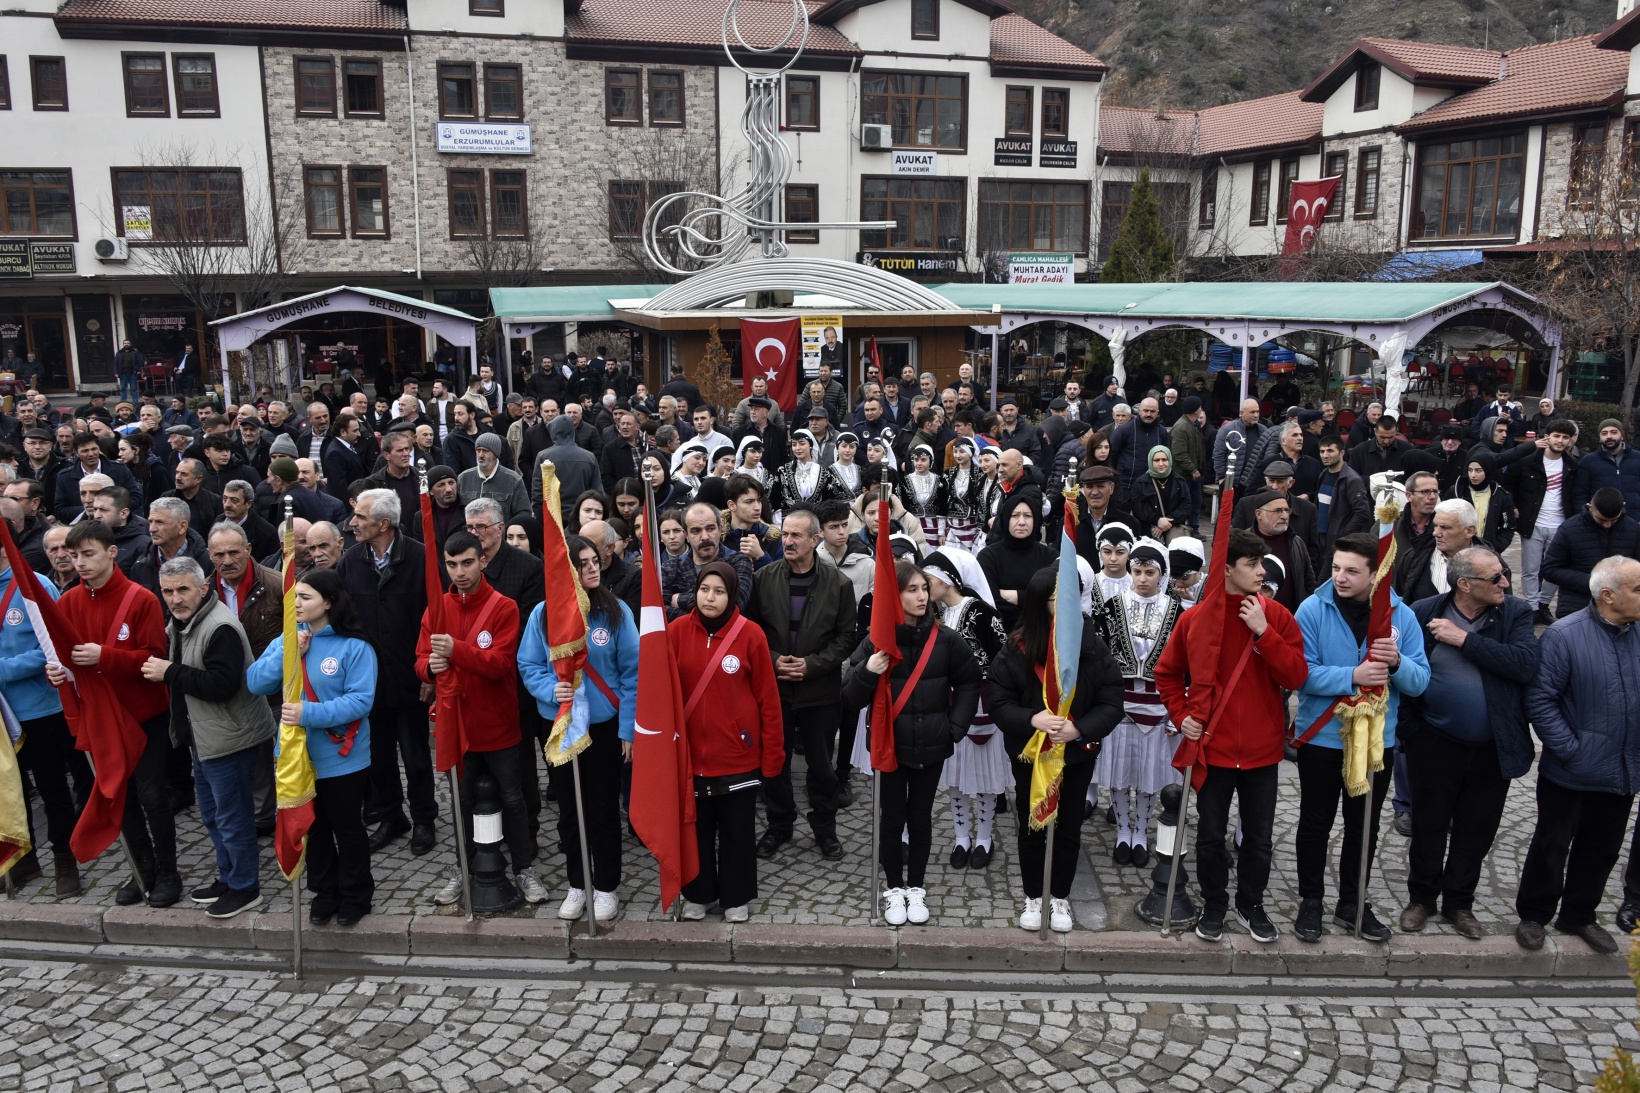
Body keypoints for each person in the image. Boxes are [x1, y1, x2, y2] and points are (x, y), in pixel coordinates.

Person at [1154, 529, 1310, 944]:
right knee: (1209, 835)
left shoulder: (1275, 615)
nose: (1262, 572)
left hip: (1262, 752)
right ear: (1227, 569)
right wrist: (1181, 713)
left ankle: (1251, 904)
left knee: (1258, 839)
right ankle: (1215, 903)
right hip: (1214, 749)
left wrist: (1264, 633)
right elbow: (1167, 673)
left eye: (1262, 564)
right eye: (1252, 565)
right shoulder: (1195, 619)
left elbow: (1296, 675)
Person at [1291, 532, 1430, 943]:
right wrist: (1353, 676)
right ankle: (1310, 901)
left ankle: (1353, 901)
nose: (1341, 577)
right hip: (1322, 740)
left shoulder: (1400, 615)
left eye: (1352, 570)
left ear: (1376, 574)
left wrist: (1397, 663)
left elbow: (1420, 681)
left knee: (1363, 828)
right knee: (1315, 824)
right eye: (1336, 568)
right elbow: (1301, 673)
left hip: (1374, 743)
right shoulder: (1313, 609)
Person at [1398, 546, 1538, 939]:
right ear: (1464, 584)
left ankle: (1459, 904)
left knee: (1476, 831)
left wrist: (1465, 641)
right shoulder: (1425, 611)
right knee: (1428, 826)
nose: (1506, 583)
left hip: (1492, 747)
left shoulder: (1515, 613)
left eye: (1504, 573)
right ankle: (1421, 899)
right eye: (1495, 578)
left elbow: (1525, 664)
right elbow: (1404, 675)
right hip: (1435, 743)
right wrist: (1412, 732)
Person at [841, 559, 982, 926]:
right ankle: (893, 889)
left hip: (932, 745)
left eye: (924, 588)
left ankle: (916, 887)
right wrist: (867, 672)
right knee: (891, 819)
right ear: (895, 595)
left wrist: (955, 727)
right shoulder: (876, 641)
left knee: (919, 818)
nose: (922, 596)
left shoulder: (947, 640)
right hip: (890, 744)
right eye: (912, 590)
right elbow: (848, 698)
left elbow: (970, 680)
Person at [990, 566, 1125, 932]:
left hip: (1075, 753)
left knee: (1067, 826)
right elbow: (999, 702)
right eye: (1055, 599)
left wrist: (1079, 727)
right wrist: (1032, 719)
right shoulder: (1015, 647)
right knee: (1033, 824)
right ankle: (1034, 895)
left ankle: (1060, 897)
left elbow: (1112, 700)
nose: (1064, 605)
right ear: (1039, 603)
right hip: (1032, 753)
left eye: (1068, 597)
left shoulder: (1090, 643)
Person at [1516, 556, 1640, 955]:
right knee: (1552, 845)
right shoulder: (1564, 635)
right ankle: (1534, 915)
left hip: (1622, 768)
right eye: (1637, 589)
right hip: (1571, 771)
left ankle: (1579, 915)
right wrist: (1571, 748)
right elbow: (1540, 699)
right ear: (1608, 595)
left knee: (1603, 848)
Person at [49, 519, 175, 906]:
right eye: (74, 556)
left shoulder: (141, 598)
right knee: (120, 796)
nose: (79, 563)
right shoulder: (68, 601)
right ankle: (143, 870)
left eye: (87, 554)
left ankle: (169, 872)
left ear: (111, 552)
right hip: (101, 719)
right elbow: (64, 657)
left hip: (142, 715)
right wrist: (58, 671)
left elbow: (155, 659)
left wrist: (106, 657)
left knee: (153, 796)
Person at [142, 556, 276, 919]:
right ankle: (229, 877)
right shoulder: (183, 622)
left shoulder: (220, 627)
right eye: (168, 591)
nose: (175, 598)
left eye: (184, 589)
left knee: (233, 818)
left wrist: (170, 671)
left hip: (230, 738)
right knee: (215, 816)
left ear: (203, 588)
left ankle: (245, 887)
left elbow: (222, 685)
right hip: (204, 738)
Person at [246, 567, 378, 926]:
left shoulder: (356, 646)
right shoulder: (289, 638)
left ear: (329, 602)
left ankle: (356, 894)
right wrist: (288, 653)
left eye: (305, 597)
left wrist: (309, 712)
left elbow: (360, 702)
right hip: (296, 758)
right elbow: (255, 682)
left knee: (347, 827)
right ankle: (324, 892)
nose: (297, 603)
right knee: (313, 829)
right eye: (295, 597)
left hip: (342, 759)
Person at [418, 530, 543, 907]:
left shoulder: (504, 606)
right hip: (456, 722)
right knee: (462, 798)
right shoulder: (437, 607)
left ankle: (523, 868)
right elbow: (421, 659)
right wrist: (430, 667)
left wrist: (456, 651)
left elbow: (501, 663)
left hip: (497, 720)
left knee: (512, 796)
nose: (459, 571)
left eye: (467, 562)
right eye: (452, 564)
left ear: (483, 561)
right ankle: (464, 867)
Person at [518, 534, 638, 924]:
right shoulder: (542, 614)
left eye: (594, 561)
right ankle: (577, 882)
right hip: (563, 725)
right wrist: (550, 690)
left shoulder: (615, 611)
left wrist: (626, 729)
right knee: (569, 810)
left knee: (603, 809)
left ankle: (605, 886)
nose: (591, 568)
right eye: (581, 563)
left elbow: (632, 674)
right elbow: (529, 665)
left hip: (604, 728)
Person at [670, 561, 785, 922]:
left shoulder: (751, 635)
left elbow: (769, 700)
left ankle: (736, 896)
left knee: (737, 831)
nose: (710, 597)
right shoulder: (675, 632)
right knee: (697, 830)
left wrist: (772, 756)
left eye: (719, 591)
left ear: (732, 595)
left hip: (738, 754)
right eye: (705, 589)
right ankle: (699, 893)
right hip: (690, 756)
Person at [749, 508, 858, 861]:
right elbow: (751, 632)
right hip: (775, 690)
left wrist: (811, 666)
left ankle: (824, 829)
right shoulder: (764, 577)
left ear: (815, 540)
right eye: (785, 535)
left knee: (822, 767)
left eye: (797, 535)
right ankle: (779, 826)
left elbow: (846, 638)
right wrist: (773, 658)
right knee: (775, 764)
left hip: (820, 692)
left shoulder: (838, 584)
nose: (789, 541)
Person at [337, 489, 435, 855]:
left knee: (416, 758)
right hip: (369, 684)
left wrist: (430, 676)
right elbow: (345, 620)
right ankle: (392, 816)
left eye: (360, 517)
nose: (352, 523)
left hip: (410, 678)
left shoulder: (421, 558)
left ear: (383, 523)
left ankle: (425, 818)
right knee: (378, 758)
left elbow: (434, 620)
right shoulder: (350, 561)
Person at [0, 504, 79, 896]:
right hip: (3, 715)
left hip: (40, 709)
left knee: (52, 789)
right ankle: (23, 860)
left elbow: (51, 648)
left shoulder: (32, 587)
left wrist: (2, 670)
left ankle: (66, 860)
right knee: (10, 789)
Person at [1092, 538, 1184, 870]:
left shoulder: (1178, 613)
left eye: (1149, 572)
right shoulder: (1111, 608)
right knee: (1119, 772)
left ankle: (1142, 833)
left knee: (1147, 774)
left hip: (1159, 705)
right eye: (1137, 571)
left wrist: (1180, 709)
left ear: (1162, 574)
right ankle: (1122, 832)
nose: (1143, 578)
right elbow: (1098, 657)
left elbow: (1188, 664)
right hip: (1120, 703)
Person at [921, 551, 1008, 870]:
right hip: (948, 703)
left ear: (946, 580)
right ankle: (961, 837)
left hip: (983, 705)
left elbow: (1004, 658)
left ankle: (984, 838)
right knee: (956, 775)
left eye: (928, 580)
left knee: (984, 776)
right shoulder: (935, 615)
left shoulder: (983, 613)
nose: (924, 587)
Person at [1497, 419, 1579, 624]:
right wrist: (1514, 506)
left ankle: (1544, 605)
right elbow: (1509, 484)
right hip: (1533, 523)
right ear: (1547, 437)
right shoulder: (1527, 461)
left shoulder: (1573, 466)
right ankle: (1532, 607)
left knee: (1554, 569)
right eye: (1556, 436)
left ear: (1570, 441)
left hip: (1561, 525)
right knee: (1530, 569)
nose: (1560, 441)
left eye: (1565, 437)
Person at [978, 492, 1055, 633]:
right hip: (1003, 636)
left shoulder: (1050, 556)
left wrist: (1016, 596)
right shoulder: (988, 556)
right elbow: (990, 602)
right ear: (1006, 518)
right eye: (1014, 516)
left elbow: (1055, 601)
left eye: (1028, 516)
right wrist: (1034, 601)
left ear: (1036, 520)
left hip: (1042, 634)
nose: (1021, 522)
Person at [1574, 418, 1640, 512]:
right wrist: (1586, 516)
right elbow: (1580, 494)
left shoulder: (1638, 458)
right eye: (1604, 433)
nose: (1609, 436)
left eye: (1614, 432)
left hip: (1634, 520)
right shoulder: (1588, 461)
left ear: (1622, 435)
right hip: (1600, 521)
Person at [1130, 446, 1188, 543]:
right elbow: (1137, 506)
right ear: (1150, 461)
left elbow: (1186, 506)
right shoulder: (1140, 483)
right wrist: (1156, 520)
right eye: (1157, 460)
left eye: (1164, 459)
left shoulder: (1179, 481)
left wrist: (1167, 523)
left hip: (1174, 531)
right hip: (1148, 532)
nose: (1161, 464)